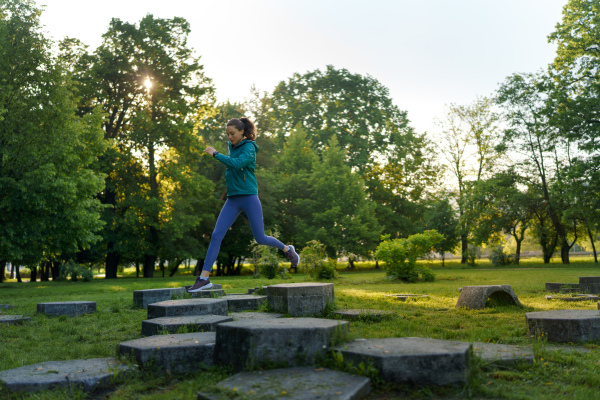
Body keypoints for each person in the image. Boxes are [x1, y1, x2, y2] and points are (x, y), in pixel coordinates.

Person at [187, 117, 300, 292]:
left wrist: (216, 154)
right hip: (232, 199)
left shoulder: (249, 148)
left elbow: (238, 164)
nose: (230, 137)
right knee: (216, 235)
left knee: (260, 238)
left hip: (249, 197)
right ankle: (204, 278)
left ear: (242, 132)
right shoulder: (231, 146)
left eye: (232, 134)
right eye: (227, 134)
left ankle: (287, 249)